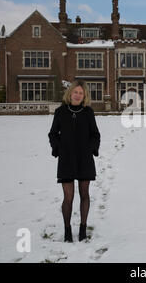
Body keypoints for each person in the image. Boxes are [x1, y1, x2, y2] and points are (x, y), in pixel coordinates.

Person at [48, 80, 101, 242]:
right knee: (68, 197)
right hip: (67, 160)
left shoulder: (88, 112)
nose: (78, 95)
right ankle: (67, 230)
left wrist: (90, 149)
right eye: (75, 92)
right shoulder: (60, 112)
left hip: (84, 159)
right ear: (70, 93)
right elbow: (52, 134)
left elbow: (95, 135)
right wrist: (58, 148)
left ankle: (83, 229)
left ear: (84, 95)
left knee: (84, 194)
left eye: (81, 93)